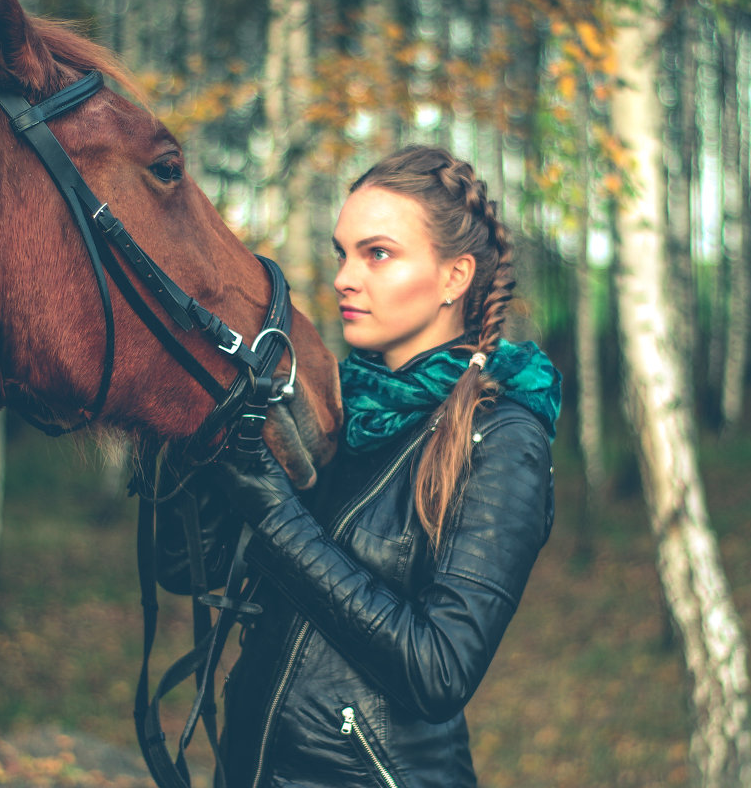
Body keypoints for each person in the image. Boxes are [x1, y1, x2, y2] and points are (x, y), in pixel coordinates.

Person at [154, 145, 561, 788]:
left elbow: (440, 671)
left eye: (378, 254)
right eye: (343, 252)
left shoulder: (504, 438)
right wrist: (194, 438)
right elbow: (184, 570)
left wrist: (279, 520)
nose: (345, 277)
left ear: (455, 278)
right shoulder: (333, 406)